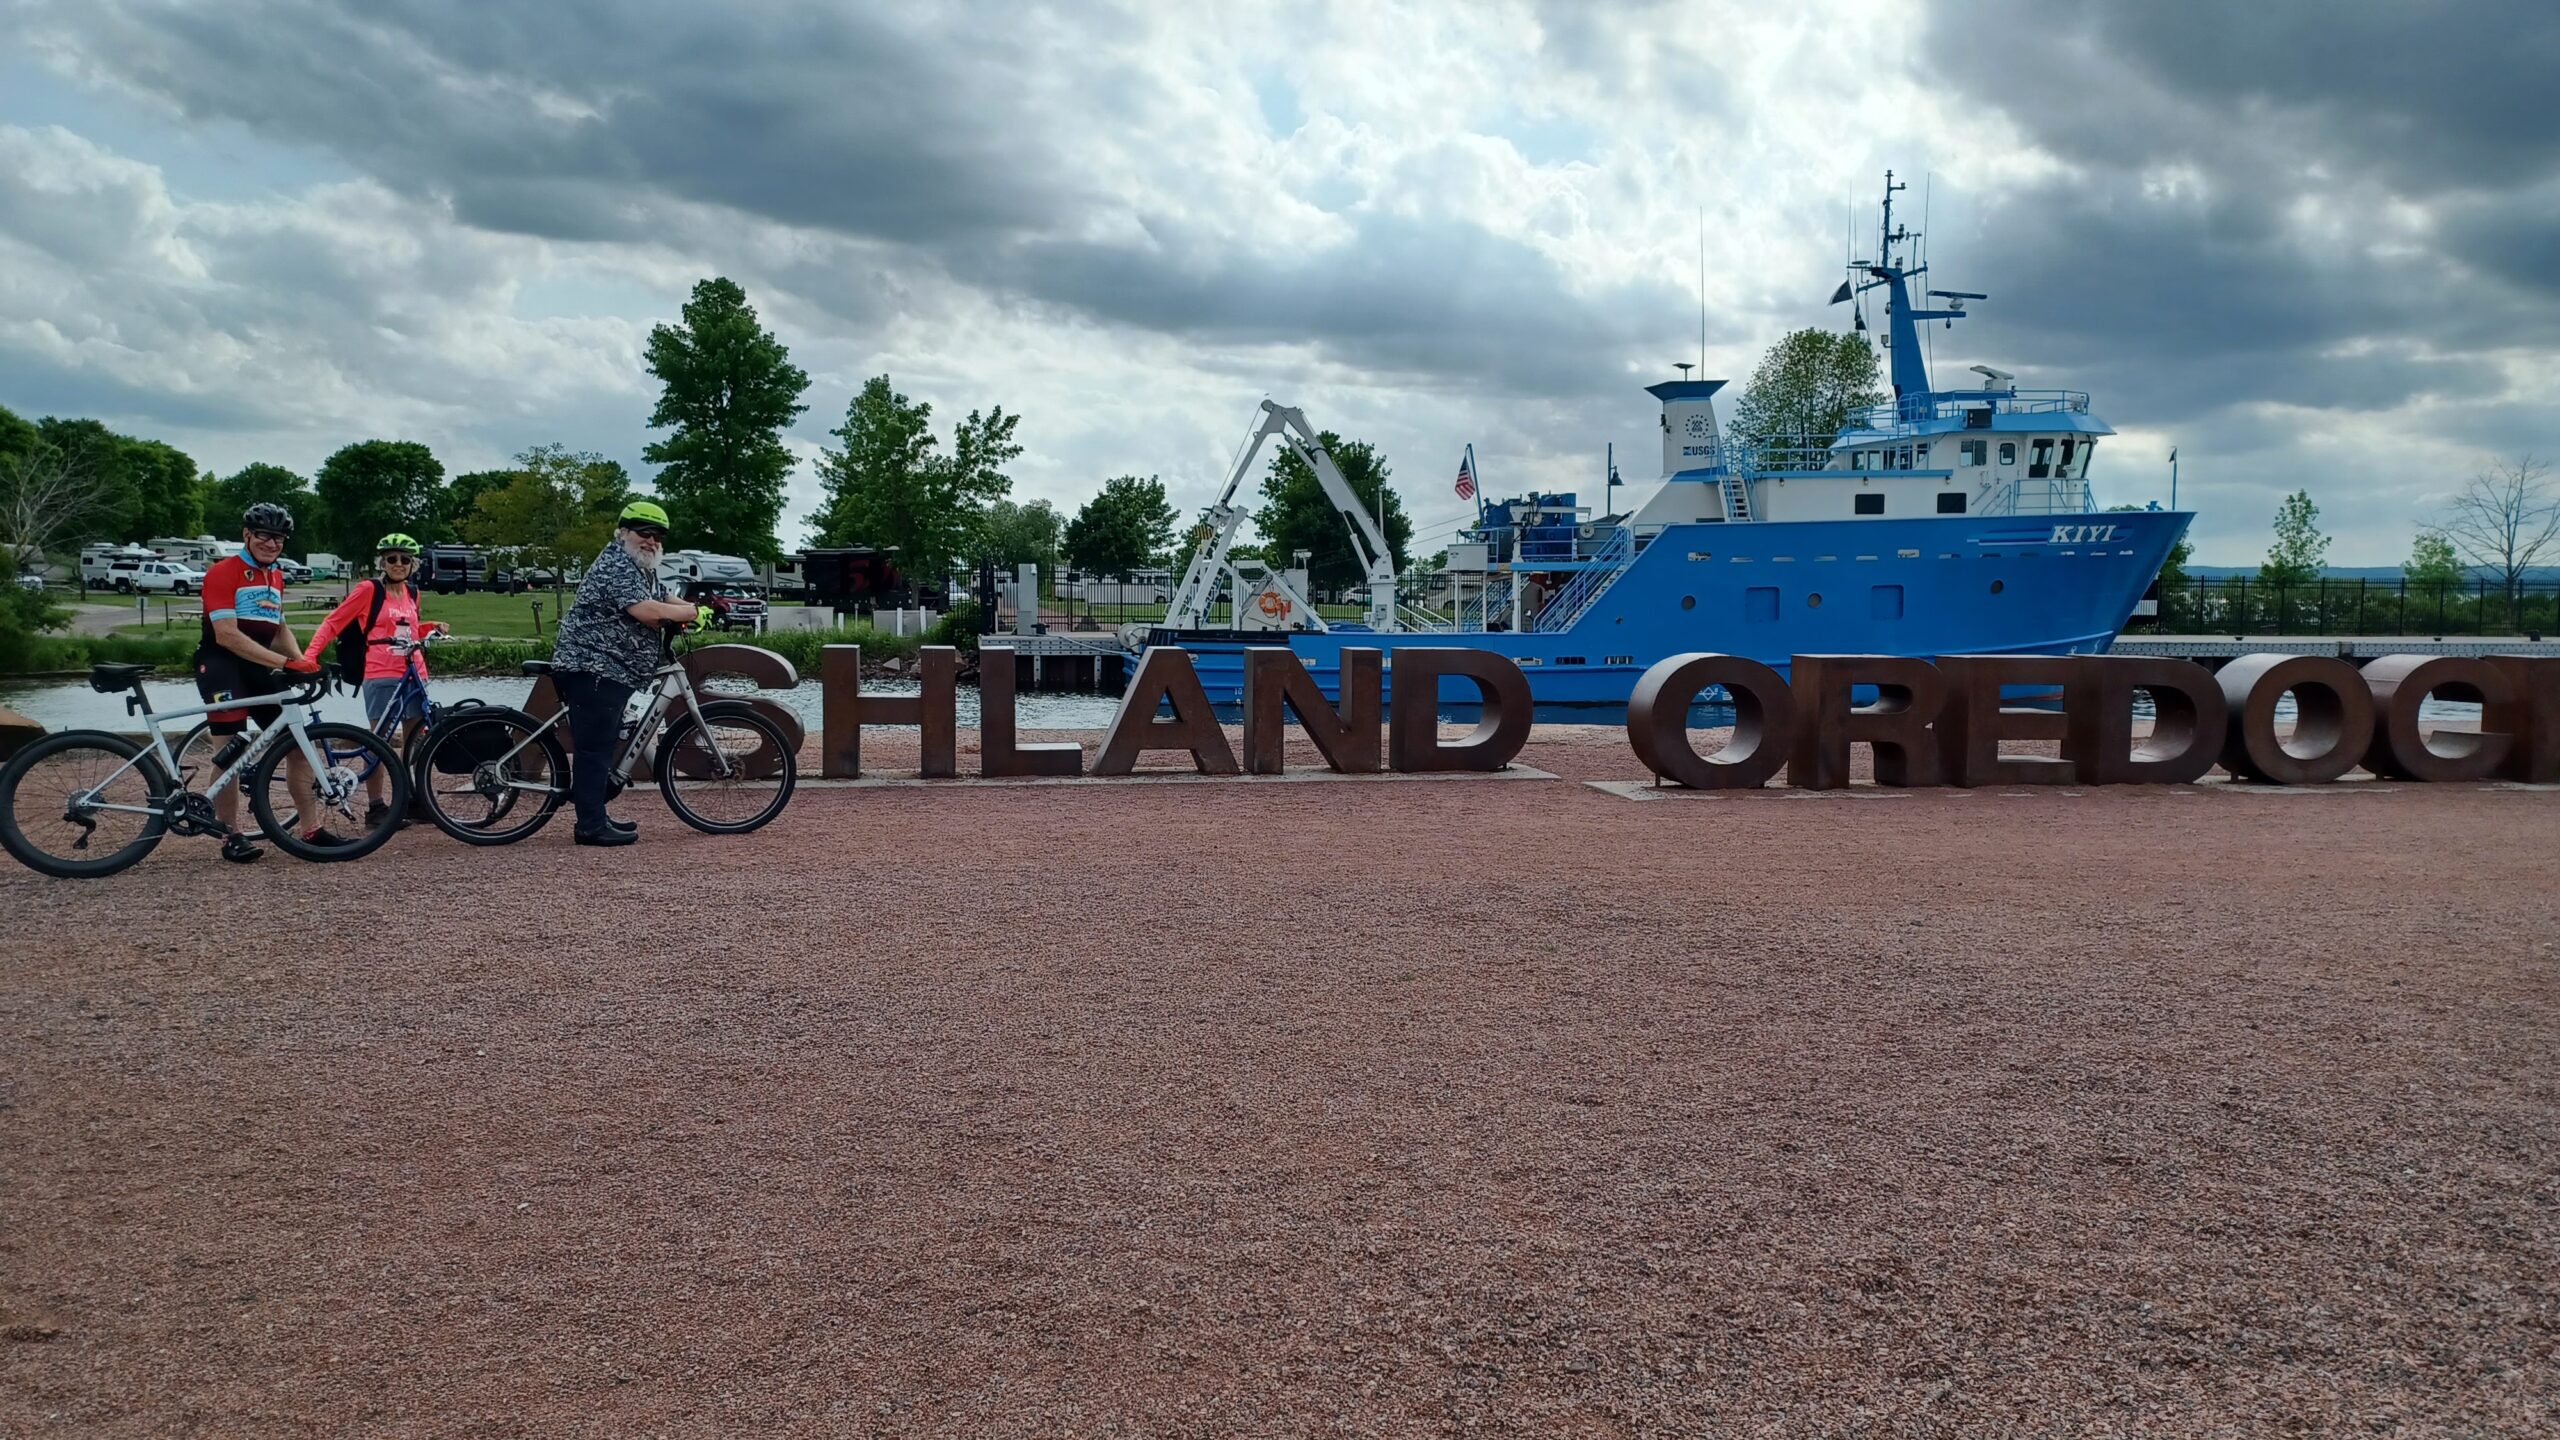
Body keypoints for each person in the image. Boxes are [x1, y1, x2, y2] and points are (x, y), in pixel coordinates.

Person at [548, 500, 700, 846]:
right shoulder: (616, 564)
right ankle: (589, 826)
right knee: (594, 747)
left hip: (611, 668)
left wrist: (693, 610)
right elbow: (647, 611)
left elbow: (662, 596)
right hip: (594, 666)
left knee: (601, 742)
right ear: (623, 533)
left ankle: (596, 813)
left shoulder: (638, 567)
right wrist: (689, 612)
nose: (651, 541)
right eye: (644, 533)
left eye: (658, 536)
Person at [195, 502, 327, 863]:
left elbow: (278, 627)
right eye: (265, 536)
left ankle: (310, 830)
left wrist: (304, 661)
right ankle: (229, 835)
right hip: (222, 666)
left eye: (279, 538)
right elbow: (227, 636)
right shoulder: (224, 572)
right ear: (247, 535)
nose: (272, 543)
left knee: (297, 746)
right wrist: (287, 663)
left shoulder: (276, 575)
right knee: (231, 751)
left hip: (256, 668)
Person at [301, 532, 447, 828]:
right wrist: (309, 657)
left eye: (405, 559)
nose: (398, 564)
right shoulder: (369, 590)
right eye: (391, 559)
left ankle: (411, 800)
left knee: (414, 741)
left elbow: (410, 629)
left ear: (413, 564)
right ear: (382, 562)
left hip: (414, 673)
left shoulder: (413, 593)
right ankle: (377, 807)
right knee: (378, 741)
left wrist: (433, 627)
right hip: (381, 673)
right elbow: (333, 622)